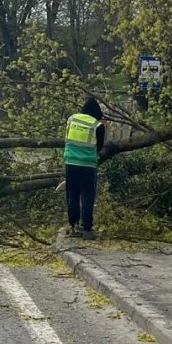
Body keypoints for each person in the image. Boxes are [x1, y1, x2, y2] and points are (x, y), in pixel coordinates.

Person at [64, 97, 105, 241]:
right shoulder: (97, 125)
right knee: (87, 196)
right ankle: (87, 229)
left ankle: (72, 225)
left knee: (72, 194)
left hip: (70, 162)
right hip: (87, 165)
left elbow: (67, 139)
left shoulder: (71, 119)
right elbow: (99, 147)